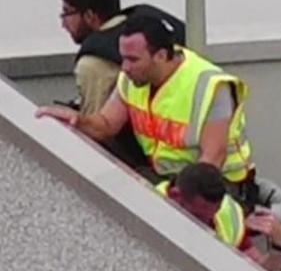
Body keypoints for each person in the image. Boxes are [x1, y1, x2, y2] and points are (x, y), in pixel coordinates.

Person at [36, 13, 256, 198]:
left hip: (218, 188)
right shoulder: (132, 79)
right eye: (123, 58)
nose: (125, 67)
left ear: (160, 56)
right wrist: (76, 120)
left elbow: (212, 160)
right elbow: (105, 125)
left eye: (133, 59)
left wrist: (167, 196)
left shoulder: (210, 86)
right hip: (165, 179)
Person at [53, 0, 183, 170]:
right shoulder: (151, 23)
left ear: (89, 15)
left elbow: (95, 135)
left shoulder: (93, 62)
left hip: (140, 167)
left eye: (67, 13)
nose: (63, 24)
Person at [159, 162, 281, 271]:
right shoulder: (150, 208)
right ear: (175, 195)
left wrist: (278, 247)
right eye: (198, 216)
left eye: (213, 214)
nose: (207, 224)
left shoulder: (229, 214)